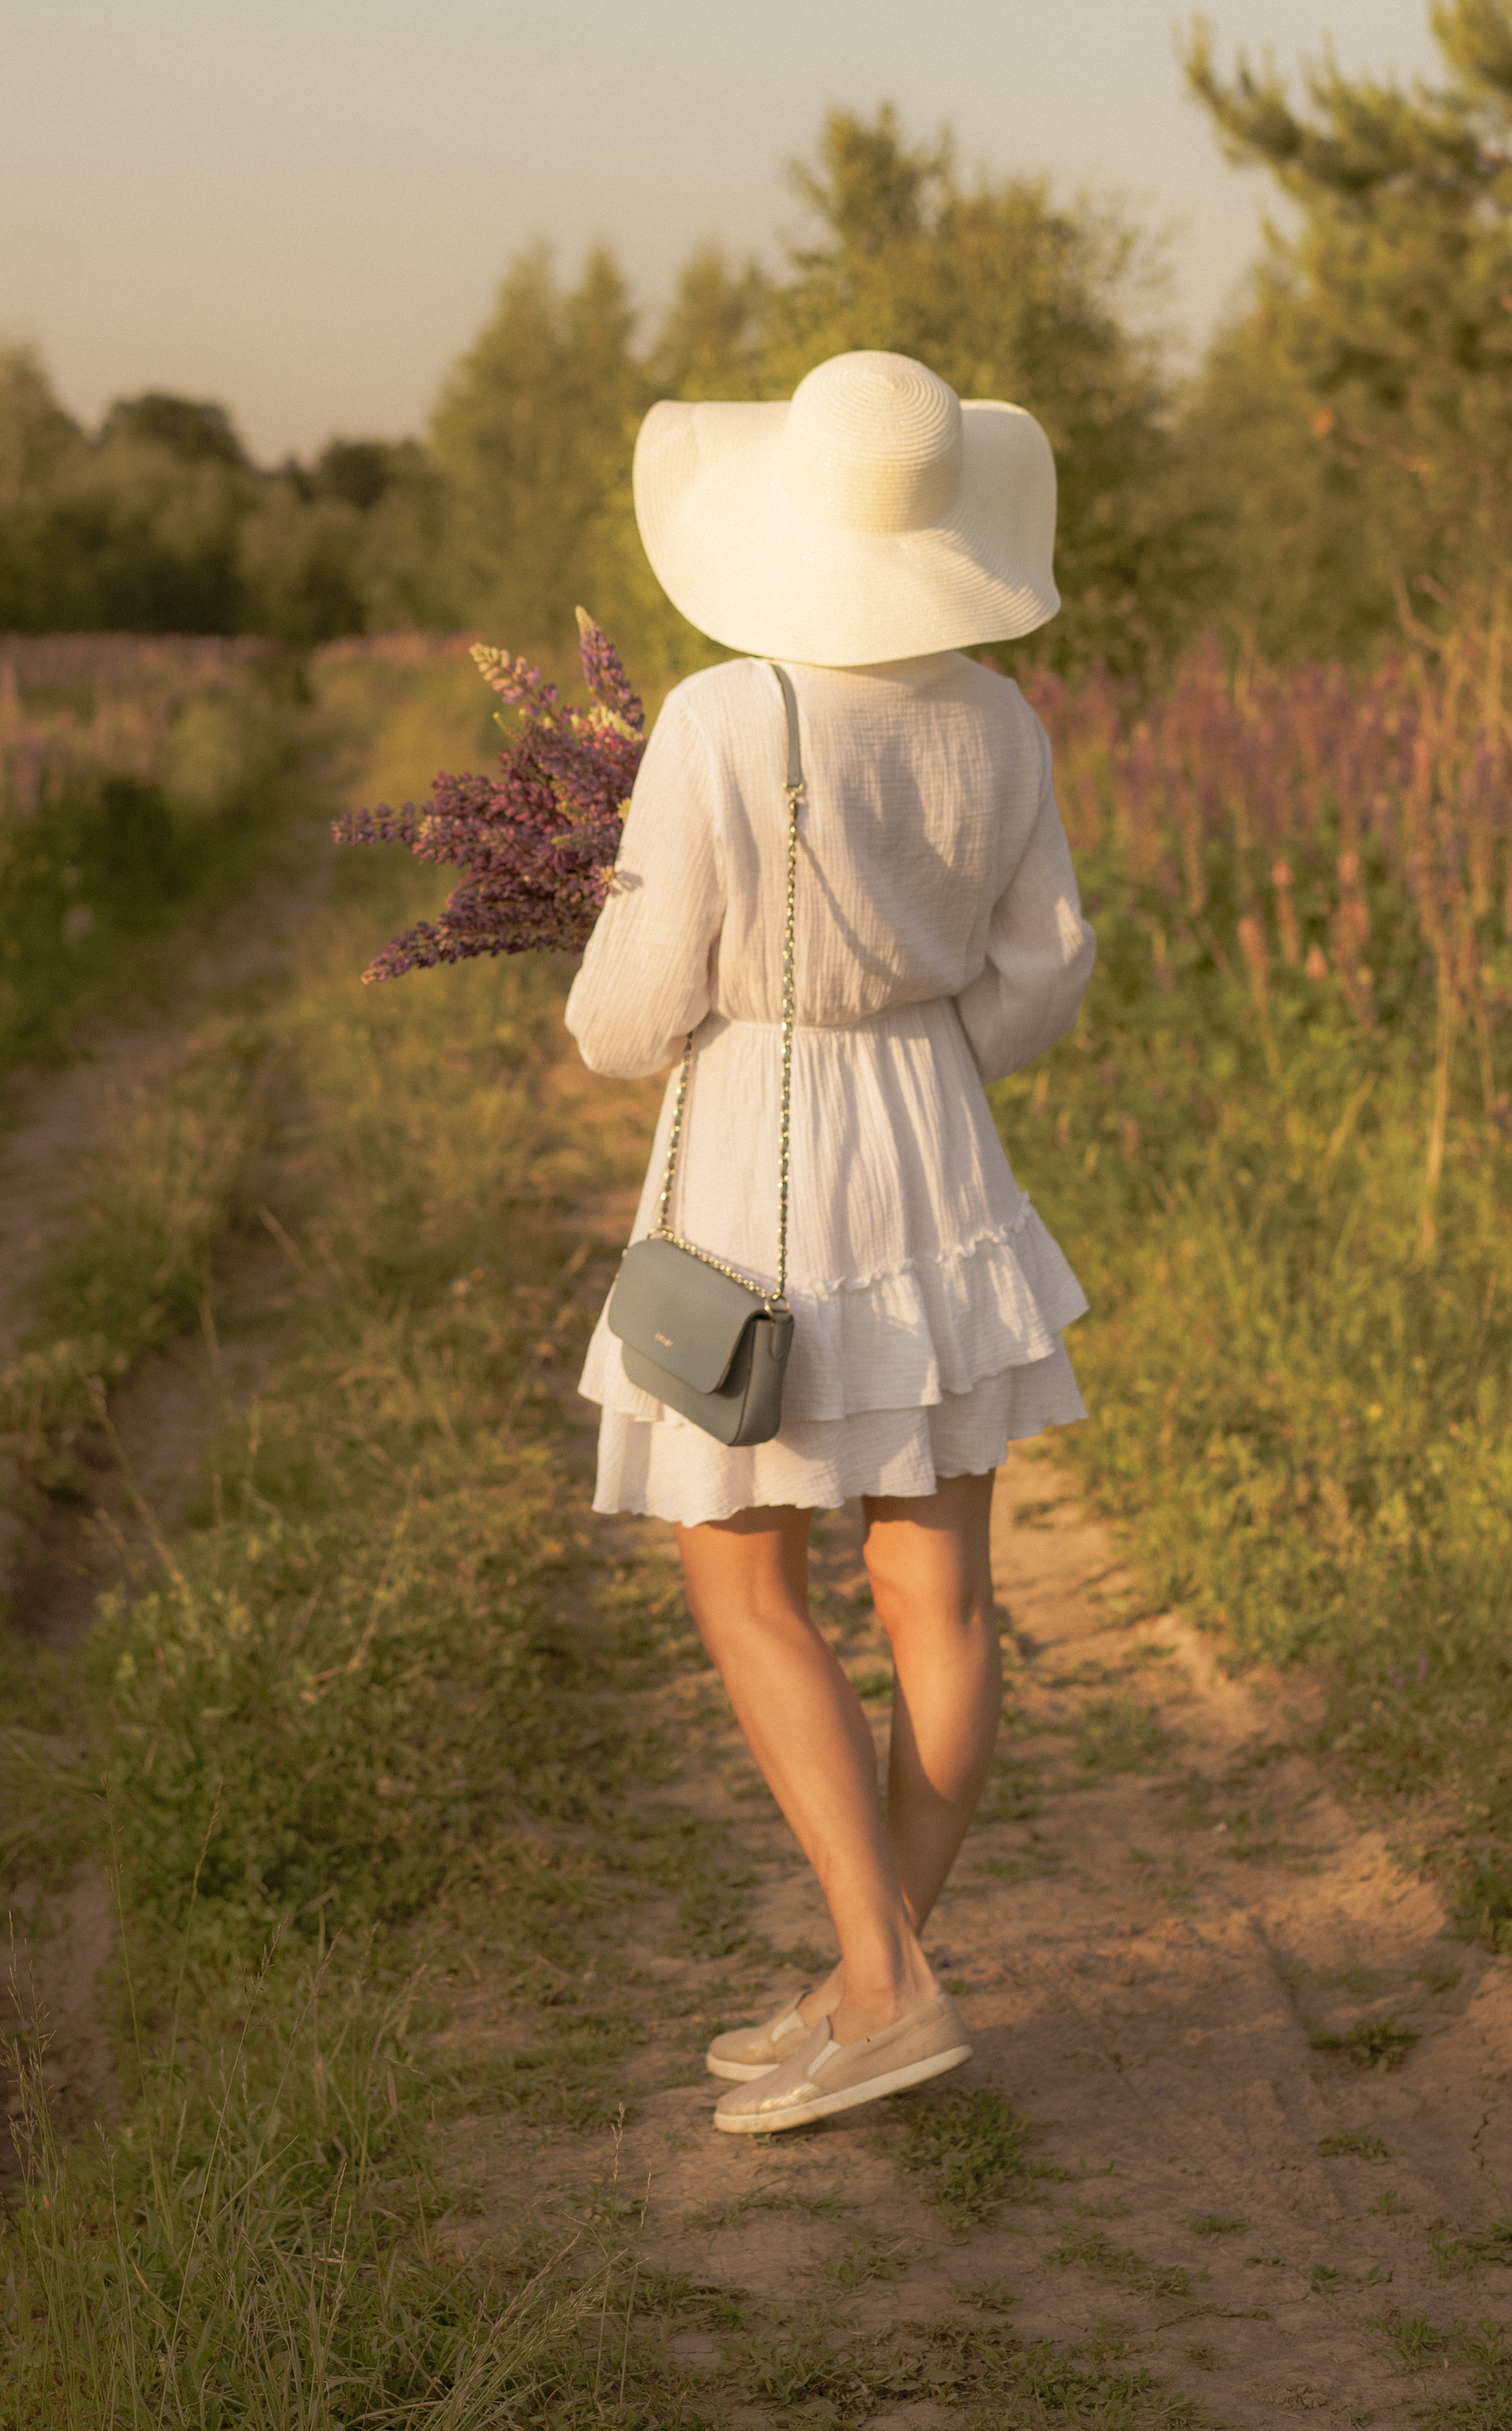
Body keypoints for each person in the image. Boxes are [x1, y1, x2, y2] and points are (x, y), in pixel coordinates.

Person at [566, 349, 1095, 2139]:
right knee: (937, 1593)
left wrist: (595, 978)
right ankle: (877, 1976)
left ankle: (877, 1982)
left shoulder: (724, 716)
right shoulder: (995, 719)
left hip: (766, 1145)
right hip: (934, 1142)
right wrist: (931, 1041)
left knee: (741, 1574)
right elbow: (1038, 977)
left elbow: (635, 1012)